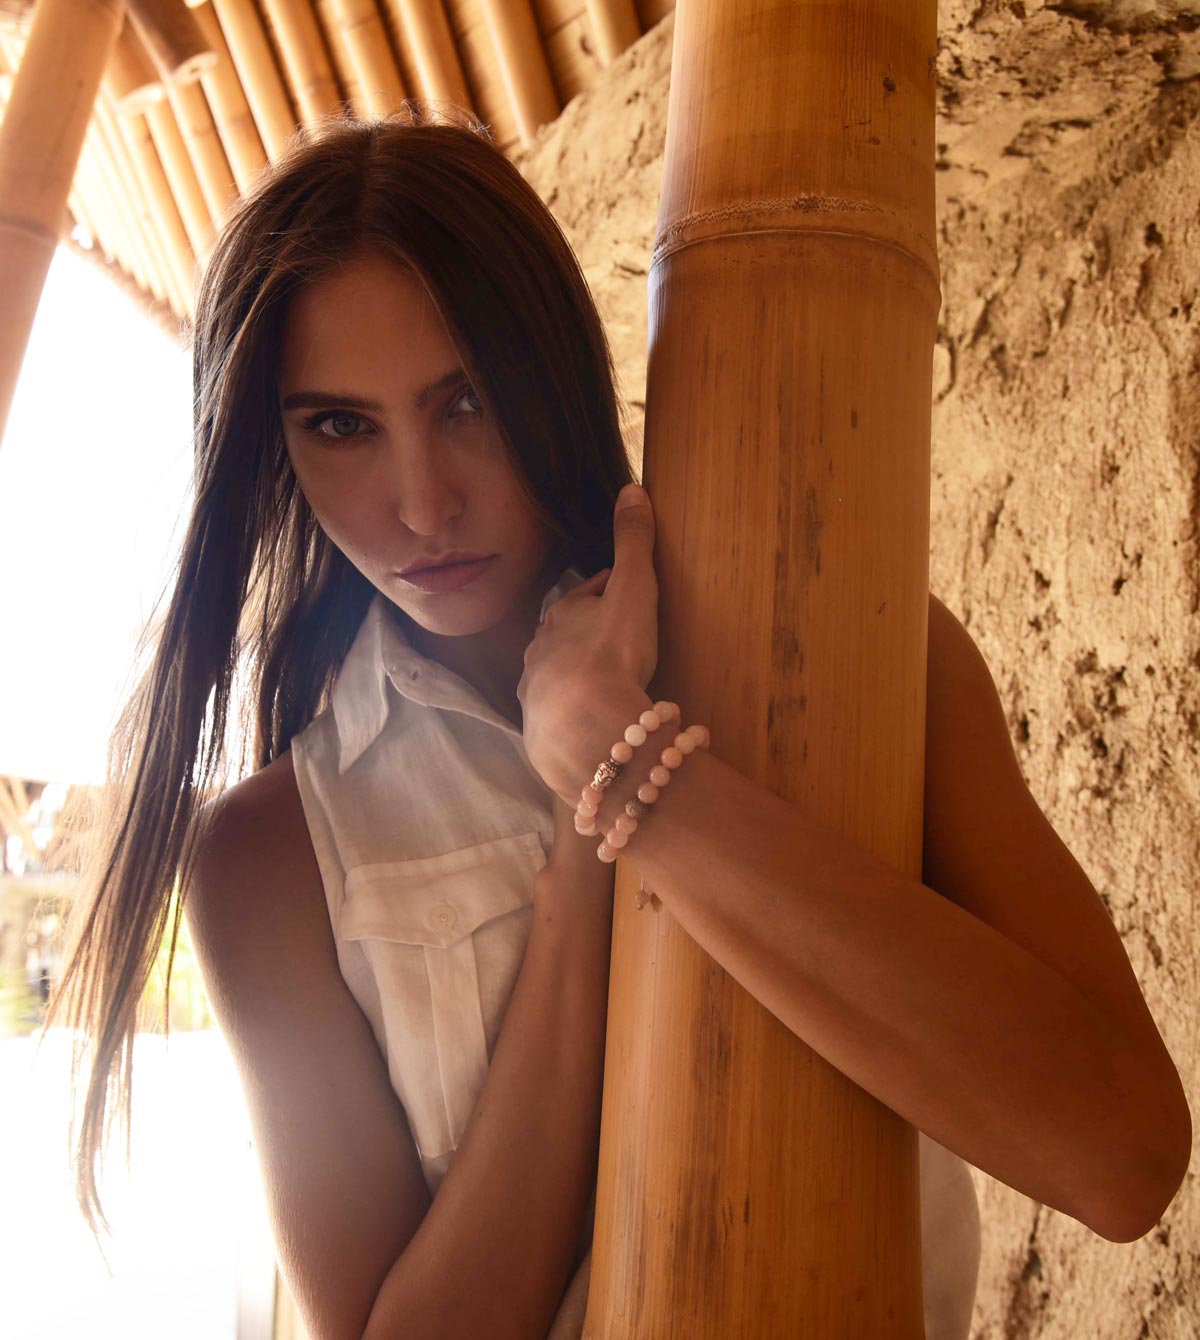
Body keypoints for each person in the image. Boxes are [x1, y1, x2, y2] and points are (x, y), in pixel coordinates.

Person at [49, 106, 1189, 1340]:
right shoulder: (272, 855)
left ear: (549, 371)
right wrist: (583, 865)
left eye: (466, 399)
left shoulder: (860, 650)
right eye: (341, 425)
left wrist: (655, 790)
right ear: (273, 448)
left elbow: (1121, 1156)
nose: (422, 503)